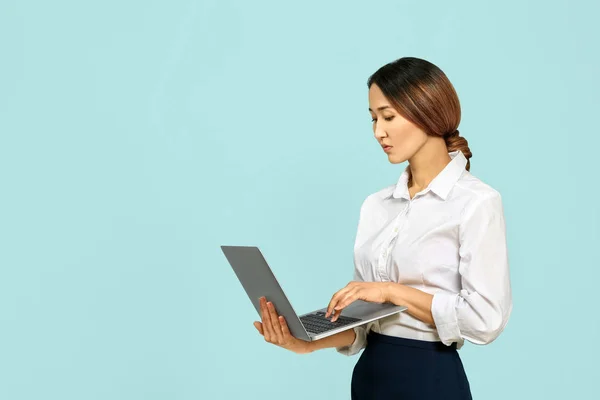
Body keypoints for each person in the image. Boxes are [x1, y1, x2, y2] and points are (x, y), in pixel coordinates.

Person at [252, 57, 513, 400]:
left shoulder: (476, 202)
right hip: (371, 378)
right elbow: (364, 328)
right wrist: (302, 343)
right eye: (373, 119)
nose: (379, 132)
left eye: (388, 117)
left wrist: (391, 292)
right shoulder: (376, 206)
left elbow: (485, 320)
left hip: (429, 380)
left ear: (427, 111)